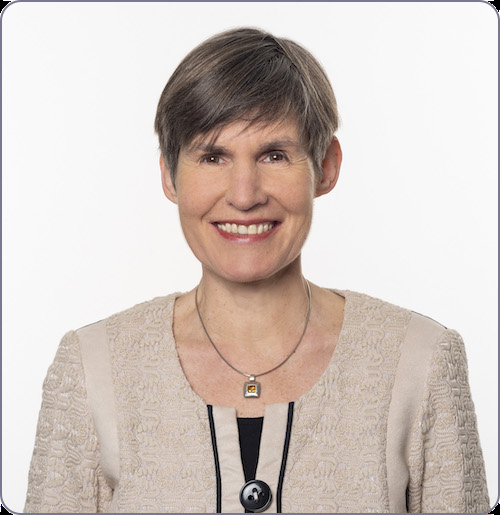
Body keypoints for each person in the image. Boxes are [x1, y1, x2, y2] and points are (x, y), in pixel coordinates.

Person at [24, 27, 489, 513]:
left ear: (326, 167)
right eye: (212, 156)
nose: (244, 195)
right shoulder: (92, 369)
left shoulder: (420, 362)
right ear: (169, 176)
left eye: (274, 155)